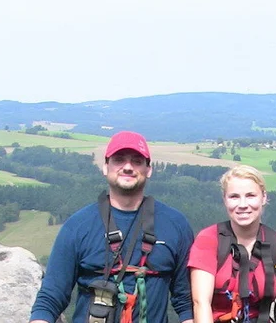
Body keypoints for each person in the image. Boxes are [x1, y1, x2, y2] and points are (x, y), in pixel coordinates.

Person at [30, 131, 195, 323]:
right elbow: (52, 296)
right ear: (105, 167)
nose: (127, 167)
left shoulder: (175, 224)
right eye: (119, 160)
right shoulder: (78, 226)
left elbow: (185, 301)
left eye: (136, 161)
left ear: (149, 169)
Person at [188, 165, 276, 323]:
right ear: (224, 200)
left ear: (263, 197)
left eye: (250, 196)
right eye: (234, 197)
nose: (243, 204)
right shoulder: (209, 240)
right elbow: (201, 302)